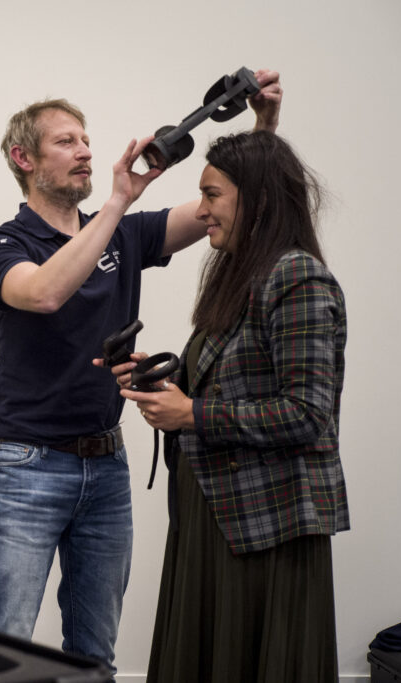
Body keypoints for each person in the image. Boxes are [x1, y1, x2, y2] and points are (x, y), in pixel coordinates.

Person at [0, 70, 283, 673]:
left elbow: (236, 203)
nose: (85, 150)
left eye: (86, 138)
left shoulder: (128, 234)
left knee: (95, 653)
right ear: (23, 157)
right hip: (27, 467)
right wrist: (118, 202)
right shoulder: (2, 243)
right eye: (65, 141)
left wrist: (263, 124)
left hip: (106, 468)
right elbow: (43, 294)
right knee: (4, 647)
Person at [116, 131, 349, 682]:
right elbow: (238, 377)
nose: (201, 212)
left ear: (259, 200)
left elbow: (307, 413)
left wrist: (191, 414)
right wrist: (164, 381)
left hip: (267, 531)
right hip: (217, 520)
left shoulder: (298, 278)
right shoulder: (243, 278)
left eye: (212, 195)